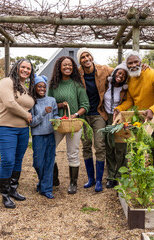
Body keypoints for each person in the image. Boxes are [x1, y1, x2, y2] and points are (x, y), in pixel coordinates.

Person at [114, 51, 154, 166]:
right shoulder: (130, 79)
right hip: (140, 117)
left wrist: (152, 110)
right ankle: (138, 175)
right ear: (126, 65)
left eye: (136, 62)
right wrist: (119, 108)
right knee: (137, 148)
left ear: (141, 62)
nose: (133, 65)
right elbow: (130, 100)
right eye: (130, 63)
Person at [0, 59, 36, 209]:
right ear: (16, 67)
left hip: (23, 130)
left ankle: (13, 189)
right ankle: (4, 195)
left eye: (29, 68)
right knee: (8, 161)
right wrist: (26, 115)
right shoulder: (7, 82)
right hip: (5, 128)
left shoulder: (25, 87)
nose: (26, 70)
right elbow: (10, 103)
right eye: (23, 67)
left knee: (18, 160)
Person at [48, 56, 90, 194]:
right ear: (59, 67)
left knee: (73, 152)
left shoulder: (77, 85)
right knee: (50, 149)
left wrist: (75, 115)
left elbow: (85, 105)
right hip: (58, 122)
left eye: (70, 65)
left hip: (73, 123)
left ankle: (73, 183)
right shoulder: (54, 85)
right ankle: (54, 179)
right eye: (65, 65)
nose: (68, 67)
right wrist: (59, 105)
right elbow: (49, 104)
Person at [77, 48, 113, 192]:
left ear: (91, 56)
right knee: (86, 146)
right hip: (84, 115)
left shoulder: (103, 69)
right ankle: (90, 178)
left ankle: (99, 180)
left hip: (99, 113)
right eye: (83, 57)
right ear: (80, 61)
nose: (86, 59)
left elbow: (121, 70)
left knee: (100, 145)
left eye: (88, 55)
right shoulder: (77, 74)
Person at [30, 75, 59, 199]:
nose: (42, 89)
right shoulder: (32, 102)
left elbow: (56, 115)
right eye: (39, 86)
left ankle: (46, 189)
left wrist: (58, 120)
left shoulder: (52, 100)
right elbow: (32, 122)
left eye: (43, 86)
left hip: (50, 134)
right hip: (38, 136)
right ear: (35, 88)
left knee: (49, 162)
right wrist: (43, 113)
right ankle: (43, 184)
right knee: (38, 163)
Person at [103, 62, 129, 188]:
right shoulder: (106, 84)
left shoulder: (126, 89)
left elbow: (129, 102)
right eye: (119, 73)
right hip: (107, 118)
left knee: (121, 148)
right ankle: (111, 176)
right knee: (109, 148)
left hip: (120, 119)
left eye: (124, 75)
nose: (121, 76)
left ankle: (121, 176)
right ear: (114, 73)